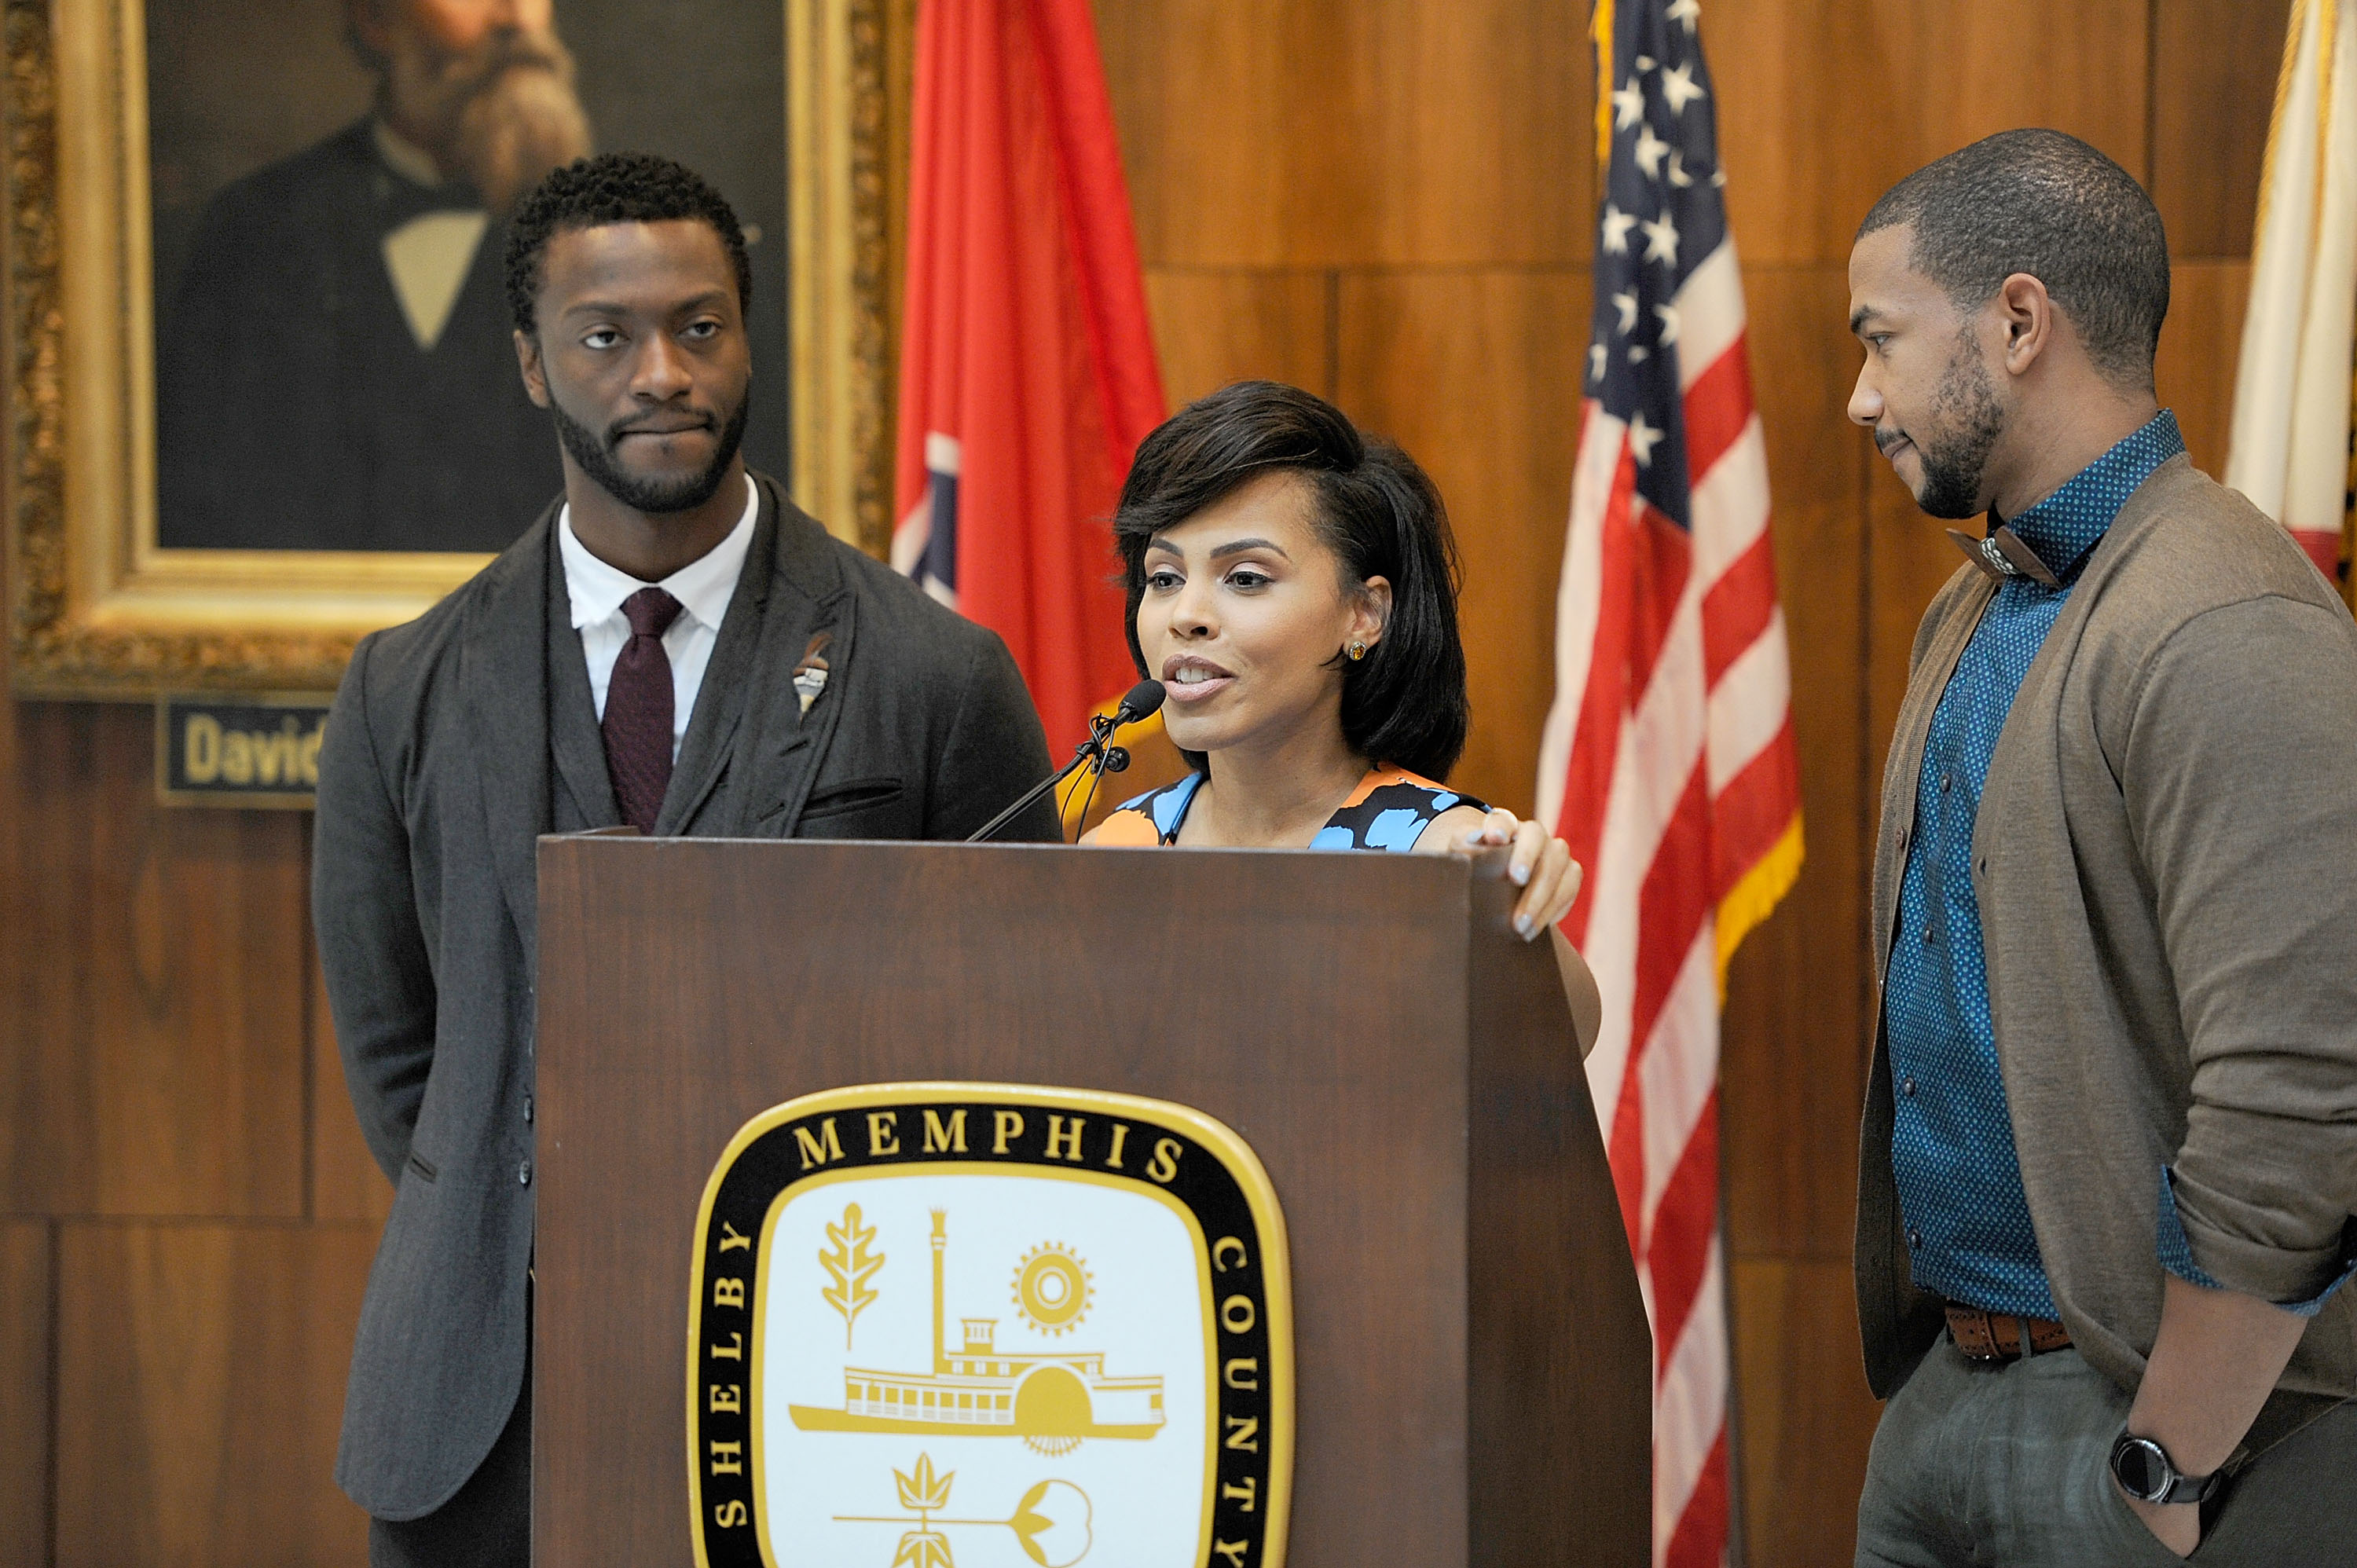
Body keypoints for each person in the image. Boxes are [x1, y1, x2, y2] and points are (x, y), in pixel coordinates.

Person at [311, 152, 1060, 1567]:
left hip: (839, 1406)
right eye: (608, 336)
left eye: (700, 327)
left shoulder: (936, 674)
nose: (663, 371)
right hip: (482, 1420)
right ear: (533, 364)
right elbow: (406, 1064)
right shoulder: (400, 689)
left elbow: (1025, 1036)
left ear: (746, 339)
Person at [1843, 130, 2357, 1565]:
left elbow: (2305, 1089)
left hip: (2174, 1436)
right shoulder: (1980, 606)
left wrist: (2166, 1457)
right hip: (1949, 1396)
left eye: (1882, 340)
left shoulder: (2223, 619)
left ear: (2017, 323)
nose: (1860, 394)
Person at [1085, 381, 1602, 1049]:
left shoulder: (1441, 855)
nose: (1185, 616)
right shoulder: (1114, 851)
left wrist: (1512, 912)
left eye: (1245, 577)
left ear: (1365, 614)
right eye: (1163, 578)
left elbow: (1569, 1038)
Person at [156, 0, 595, 552]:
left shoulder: (614, 238)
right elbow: (201, 521)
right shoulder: (256, 230)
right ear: (376, 20)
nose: (514, 17)